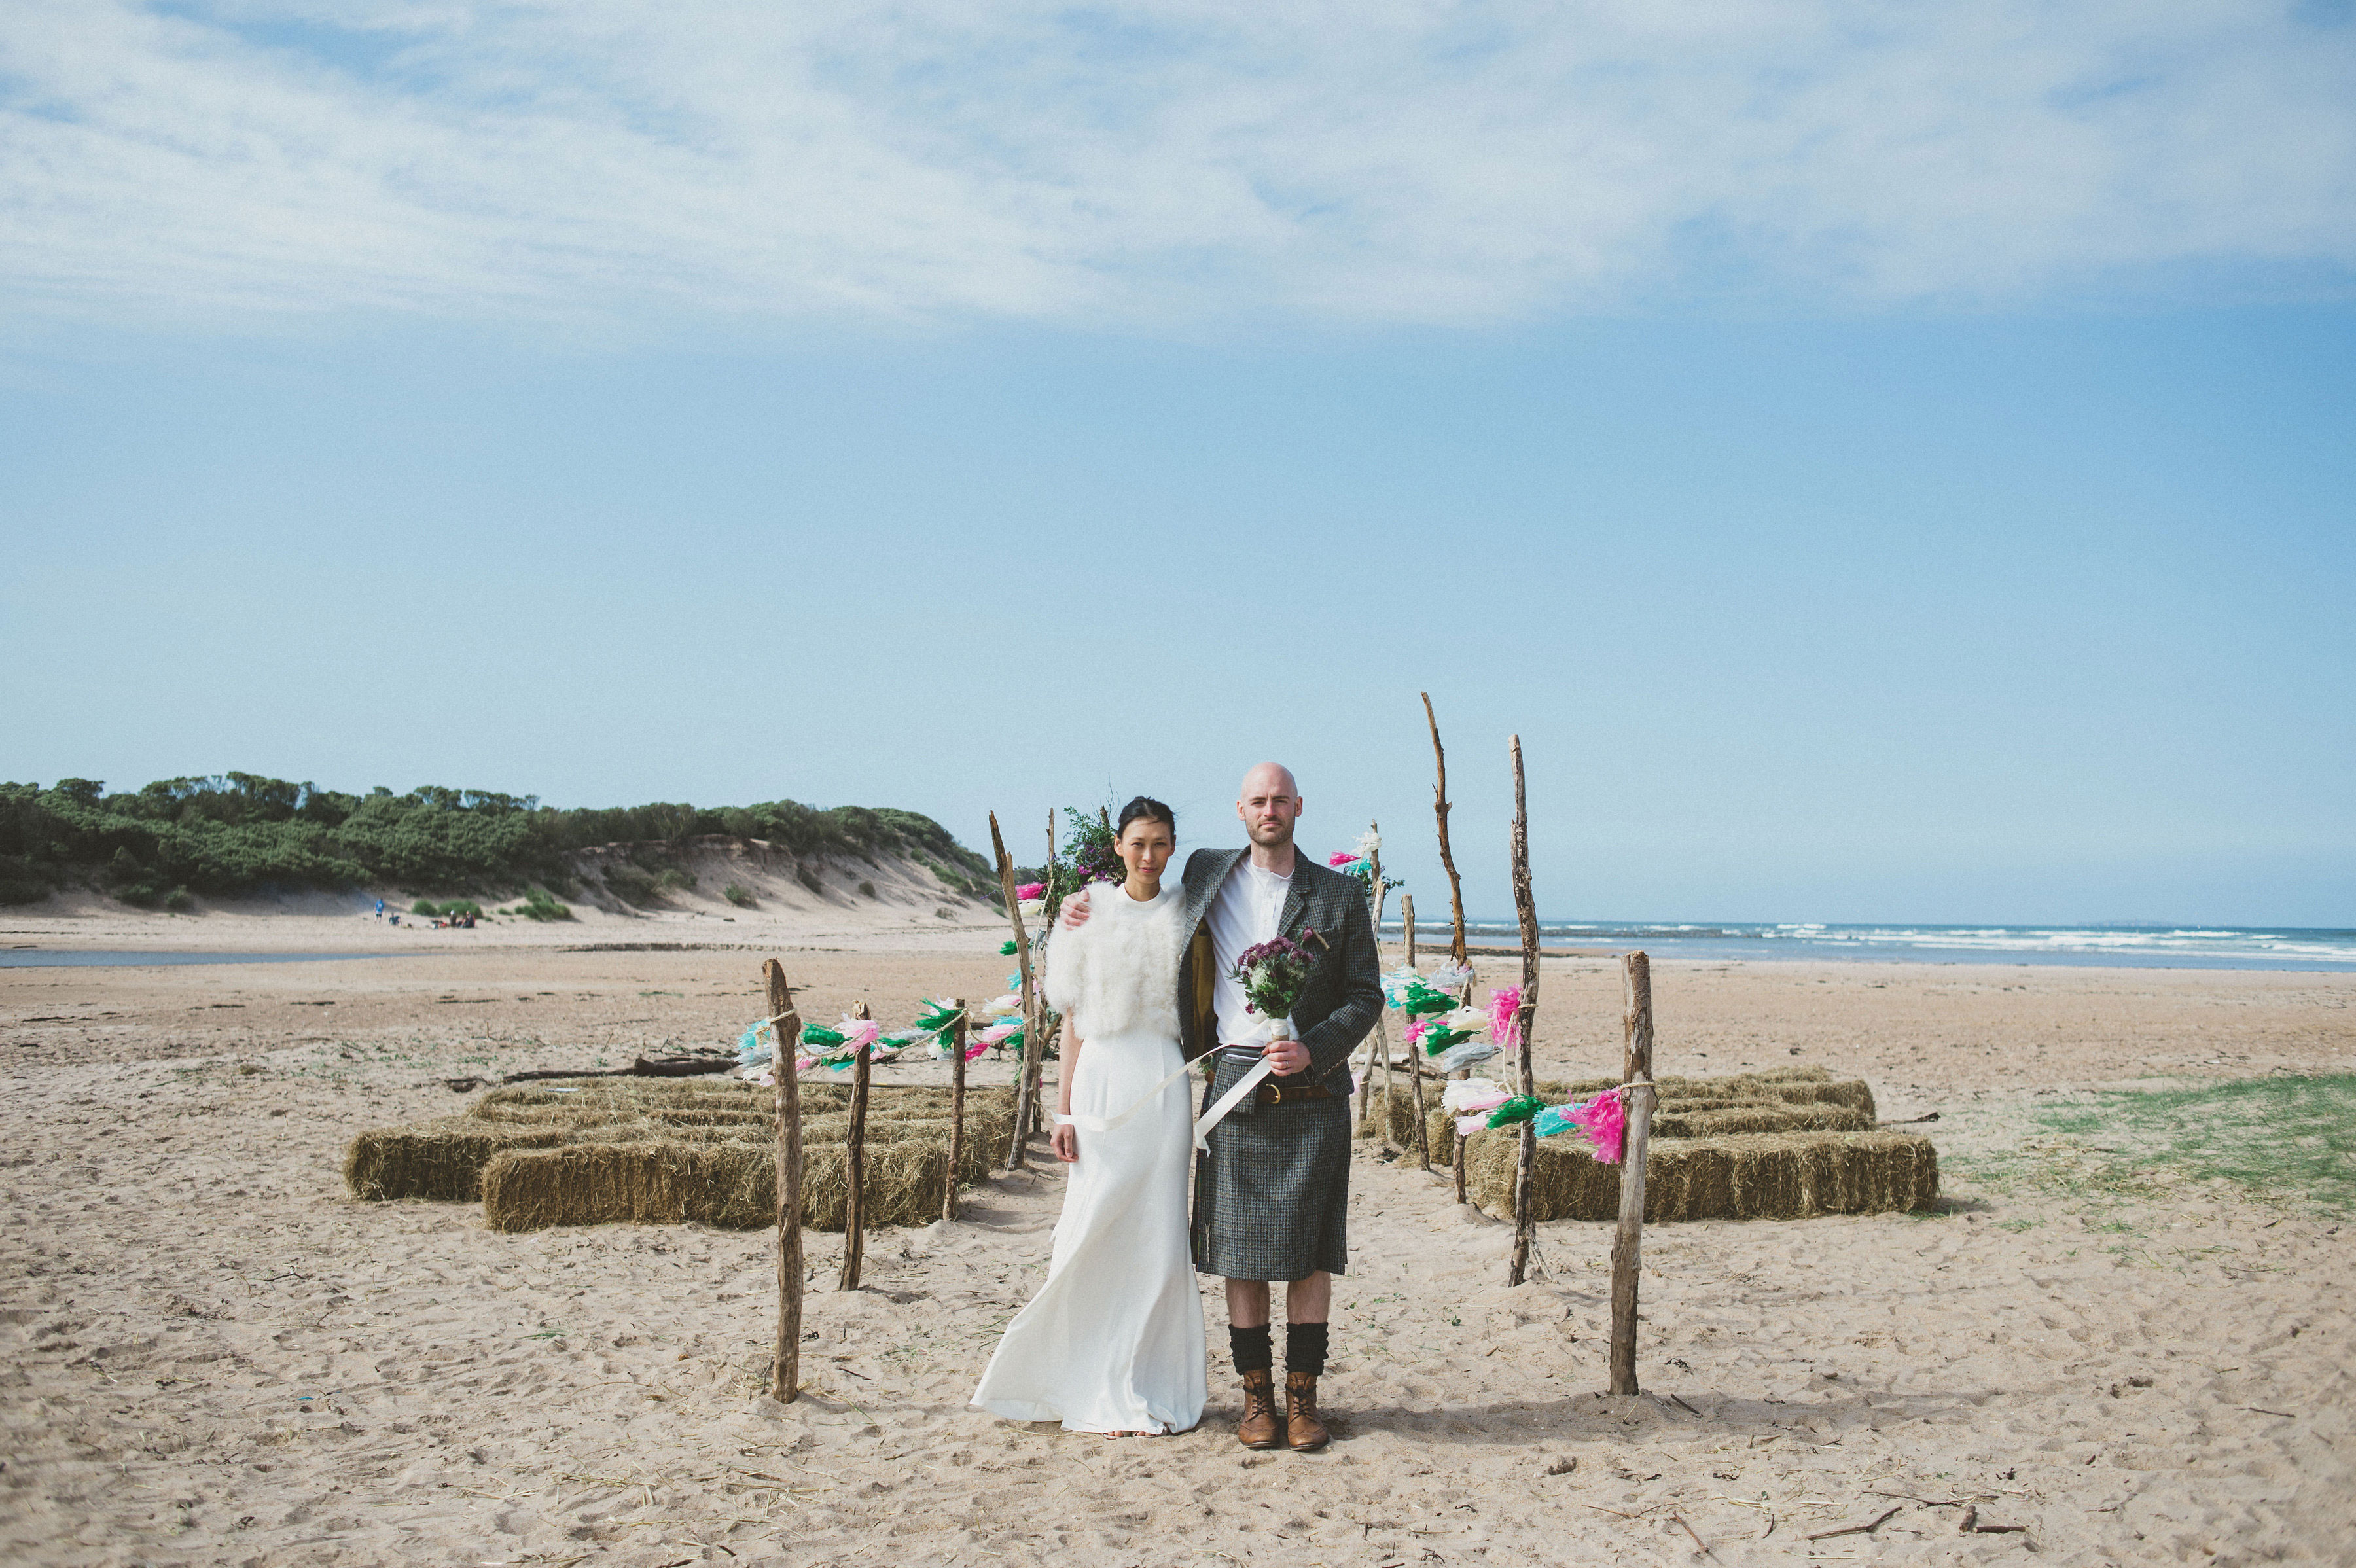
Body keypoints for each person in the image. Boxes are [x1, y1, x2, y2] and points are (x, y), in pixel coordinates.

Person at [1060, 763, 1381, 1451]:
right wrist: (1077, 907)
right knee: (1239, 1249)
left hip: (1313, 1089)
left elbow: (1366, 994)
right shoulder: (1205, 872)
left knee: (1311, 1252)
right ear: (1240, 809)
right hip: (1233, 1081)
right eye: (1258, 801)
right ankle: (1256, 1398)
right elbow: (1135, 895)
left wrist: (1317, 1047)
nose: (1270, 810)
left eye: (1280, 800)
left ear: (1300, 805)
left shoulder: (1341, 893)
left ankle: (1304, 1400)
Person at [971, 796, 1207, 1437]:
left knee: (1158, 1235)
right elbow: (1069, 1021)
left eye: (1161, 842)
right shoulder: (1087, 911)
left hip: (1163, 1079)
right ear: (1118, 843)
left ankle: (1143, 1377)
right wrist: (1063, 1108)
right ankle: (1068, 1373)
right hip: (1101, 1077)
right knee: (1090, 1225)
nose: (1150, 855)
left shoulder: (1191, 908)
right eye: (1139, 842)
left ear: (1174, 844)